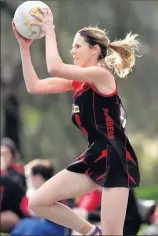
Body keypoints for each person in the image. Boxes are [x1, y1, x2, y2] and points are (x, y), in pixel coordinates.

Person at [12, 6, 140, 235]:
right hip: (94, 155)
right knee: (38, 201)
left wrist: (49, 30)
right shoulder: (78, 83)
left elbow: (54, 67)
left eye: (77, 46)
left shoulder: (101, 75)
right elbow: (34, 86)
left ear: (94, 50)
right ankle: (92, 232)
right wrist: (24, 48)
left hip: (115, 158)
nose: (72, 51)